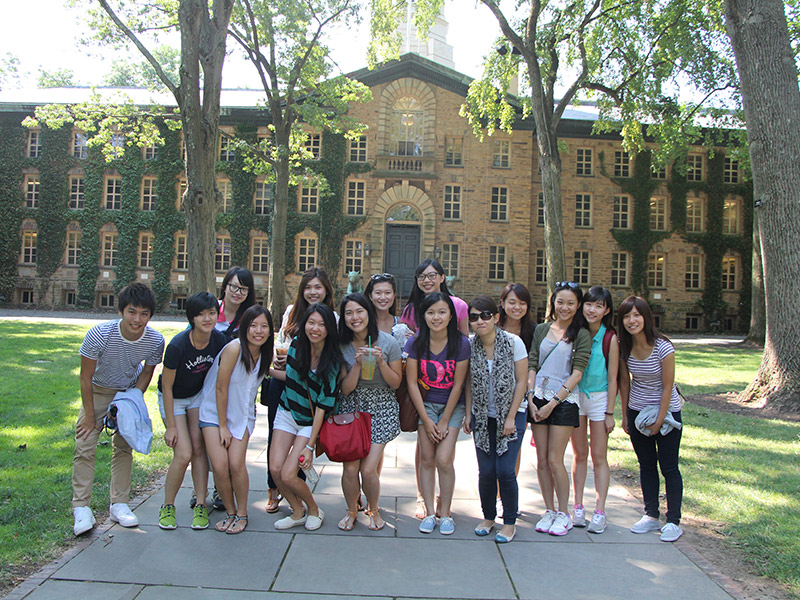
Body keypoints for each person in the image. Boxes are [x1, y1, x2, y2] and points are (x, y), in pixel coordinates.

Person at [72, 283, 165, 537]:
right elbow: (85, 377)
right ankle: (81, 507)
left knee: (124, 447)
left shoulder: (155, 340)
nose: (137, 319)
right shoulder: (99, 334)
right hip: (98, 390)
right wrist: (91, 416)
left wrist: (133, 399)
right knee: (85, 444)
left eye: (144, 314)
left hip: (127, 392)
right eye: (132, 312)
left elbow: (148, 371)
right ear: (122, 311)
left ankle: (119, 504)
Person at [263, 267, 336, 514]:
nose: (313, 292)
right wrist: (272, 364)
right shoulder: (291, 314)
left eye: (318, 287)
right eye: (308, 287)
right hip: (286, 386)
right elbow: (282, 345)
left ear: (326, 290)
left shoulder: (332, 320)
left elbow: (331, 367)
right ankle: (277, 489)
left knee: (296, 457)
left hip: (313, 397)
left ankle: (300, 495)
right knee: (277, 445)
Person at [399, 259, 468, 519]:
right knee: (426, 456)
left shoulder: (460, 337)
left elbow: (460, 379)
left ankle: (444, 508)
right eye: (430, 313)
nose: (436, 317)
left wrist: (448, 418)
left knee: (443, 458)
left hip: (451, 403)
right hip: (425, 401)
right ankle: (426, 505)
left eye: (441, 312)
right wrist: (426, 420)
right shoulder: (415, 338)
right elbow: (412, 380)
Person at [199, 305, 273, 534]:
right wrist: (222, 426)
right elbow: (221, 388)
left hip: (243, 416)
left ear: (271, 330)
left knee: (236, 464)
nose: (258, 331)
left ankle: (242, 514)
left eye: (264, 326)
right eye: (253, 326)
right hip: (214, 415)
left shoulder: (263, 354)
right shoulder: (234, 349)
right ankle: (230, 512)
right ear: (244, 328)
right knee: (220, 467)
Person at [157, 292, 228, 531]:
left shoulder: (219, 340)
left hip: (197, 396)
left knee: (199, 448)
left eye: (211, 313)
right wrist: (171, 426)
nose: (207, 319)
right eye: (201, 315)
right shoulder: (178, 345)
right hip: (174, 398)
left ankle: (200, 503)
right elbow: (166, 386)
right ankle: (168, 505)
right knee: (184, 452)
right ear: (192, 318)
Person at [270, 303, 343, 531]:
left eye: (321, 324)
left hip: (309, 421)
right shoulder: (297, 346)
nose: (315, 328)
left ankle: (314, 509)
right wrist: (264, 369)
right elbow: (289, 378)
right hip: (287, 412)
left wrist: (310, 445)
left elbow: (323, 405)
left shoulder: (333, 362)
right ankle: (298, 511)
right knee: (275, 469)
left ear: (329, 329)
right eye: (311, 322)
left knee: (289, 474)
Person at [618, 296, 684, 542]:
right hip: (637, 412)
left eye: (636, 315)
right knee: (646, 465)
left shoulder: (663, 347)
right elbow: (625, 382)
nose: (631, 320)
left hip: (667, 413)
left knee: (669, 467)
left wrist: (658, 420)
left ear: (646, 317)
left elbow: (668, 387)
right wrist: (625, 414)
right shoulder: (624, 347)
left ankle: (674, 521)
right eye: (626, 316)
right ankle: (651, 515)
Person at [527, 281, 591, 536]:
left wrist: (553, 403)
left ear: (578, 306)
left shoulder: (581, 334)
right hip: (537, 399)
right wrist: (531, 398)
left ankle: (564, 512)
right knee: (541, 459)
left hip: (563, 402)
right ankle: (549, 510)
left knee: (555, 459)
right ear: (553, 302)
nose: (564, 307)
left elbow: (577, 372)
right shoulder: (542, 329)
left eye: (570, 303)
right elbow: (532, 362)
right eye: (560, 301)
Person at [464, 296, 528, 544]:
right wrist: (470, 412)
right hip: (483, 416)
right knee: (486, 471)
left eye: (485, 315)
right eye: (474, 317)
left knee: (505, 471)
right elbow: (468, 382)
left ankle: (509, 523)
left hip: (512, 415)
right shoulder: (470, 346)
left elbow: (522, 381)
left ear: (496, 317)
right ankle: (489, 517)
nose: (480, 321)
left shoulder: (514, 343)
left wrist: (511, 416)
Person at [336, 294, 403, 531]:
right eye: (349, 313)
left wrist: (382, 362)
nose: (355, 317)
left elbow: (396, 384)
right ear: (343, 318)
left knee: (367, 469)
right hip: (352, 408)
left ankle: (373, 509)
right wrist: (356, 365)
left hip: (381, 407)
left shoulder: (388, 342)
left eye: (360, 311)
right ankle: (351, 510)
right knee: (351, 468)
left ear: (369, 313)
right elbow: (345, 389)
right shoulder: (341, 345)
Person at [569, 286, 618, 534]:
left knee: (599, 456)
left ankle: (600, 510)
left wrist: (610, 412)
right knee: (579, 455)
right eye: (589, 304)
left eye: (599, 306)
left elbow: (613, 377)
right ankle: (578, 506)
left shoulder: (610, 338)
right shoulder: (575, 333)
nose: (592, 309)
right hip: (575, 398)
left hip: (599, 399)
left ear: (606, 310)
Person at [400, 259, 469, 336]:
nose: (426, 280)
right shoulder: (411, 309)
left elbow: (465, 338)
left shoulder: (459, 305)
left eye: (432, 275)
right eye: (421, 276)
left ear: (442, 278)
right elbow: (407, 338)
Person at [364, 272, 413, 345]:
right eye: (378, 293)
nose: (383, 297)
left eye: (387, 292)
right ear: (370, 296)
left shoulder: (399, 325)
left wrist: (412, 342)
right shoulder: (363, 322)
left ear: (394, 295)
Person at [216, 266, 256, 338]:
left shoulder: (250, 318)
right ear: (225, 287)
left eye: (243, 289)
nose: (238, 292)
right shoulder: (210, 309)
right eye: (234, 286)